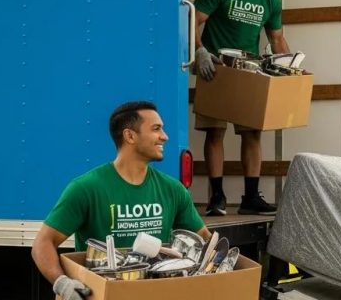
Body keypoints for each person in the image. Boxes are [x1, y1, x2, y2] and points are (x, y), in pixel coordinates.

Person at [31, 101, 211, 300]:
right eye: (156, 129)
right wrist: (62, 283)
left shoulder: (172, 189)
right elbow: (43, 242)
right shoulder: (87, 188)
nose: (165, 136)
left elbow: (203, 240)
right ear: (130, 136)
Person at [192, 0, 288, 217]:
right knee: (215, 131)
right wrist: (199, 52)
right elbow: (192, 21)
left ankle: (250, 196)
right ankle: (217, 197)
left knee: (253, 134)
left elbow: (278, 39)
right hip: (216, 68)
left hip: (250, 69)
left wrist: (290, 70)